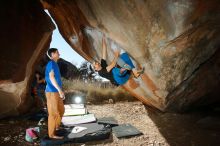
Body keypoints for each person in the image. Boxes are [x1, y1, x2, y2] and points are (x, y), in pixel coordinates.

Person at [45, 48, 65, 139]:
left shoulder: (55, 64)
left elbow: (57, 79)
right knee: (53, 113)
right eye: (57, 52)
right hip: (51, 92)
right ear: (52, 54)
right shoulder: (51, 63)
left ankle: (57, 126)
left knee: (61, 110)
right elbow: (51, 77)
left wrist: (61, 90)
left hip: (57, 91)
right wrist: (59, 90)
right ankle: (52, 134)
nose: (59, 53)